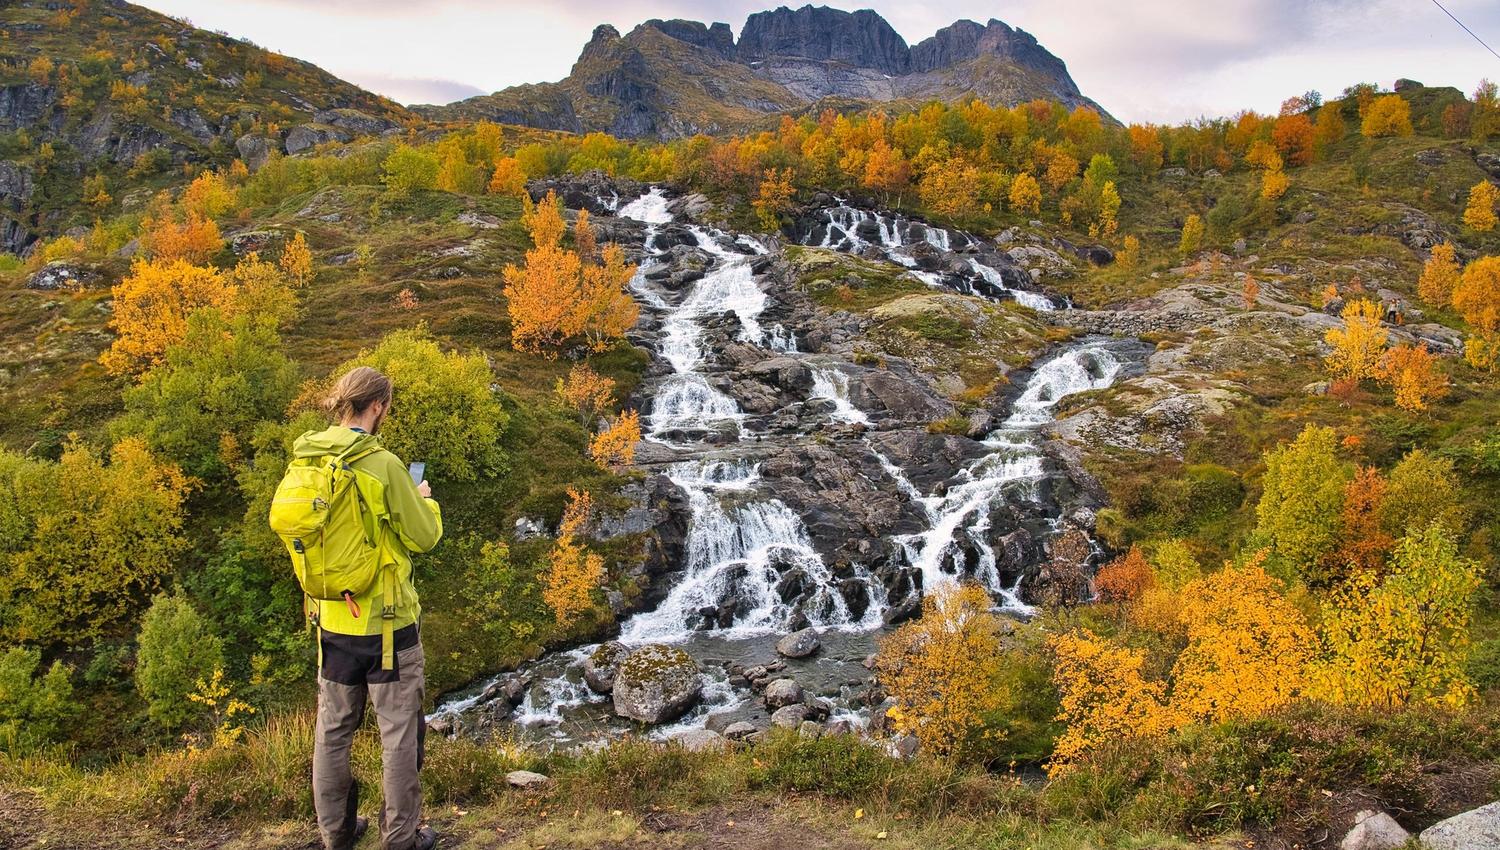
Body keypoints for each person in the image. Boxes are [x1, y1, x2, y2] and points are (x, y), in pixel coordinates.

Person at [297, 366, 442, 850]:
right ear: (378, 406)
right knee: (398, 733)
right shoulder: (382, 464)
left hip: (330, 618)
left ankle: (335, 834)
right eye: (387, 406)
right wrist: (426, 501)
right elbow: (423, 536)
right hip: (386, 624)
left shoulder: (307, 457)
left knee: (333, 731)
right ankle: (400, 838)